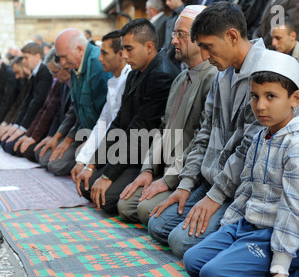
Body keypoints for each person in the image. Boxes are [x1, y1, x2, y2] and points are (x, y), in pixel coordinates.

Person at [183, 49, 299, 277]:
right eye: (254, 96)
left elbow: (294, 209)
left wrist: (280, 267)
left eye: (271, 96)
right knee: (192, 260)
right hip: (250, 226)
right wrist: (228, 228)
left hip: (289, 235)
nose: (260, 105)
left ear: (295, 98)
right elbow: (247, 188)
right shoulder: (261, 136)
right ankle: (255, 261)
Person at [147, 1, 265, 259]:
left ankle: (255, 242)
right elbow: (204, 136)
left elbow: (249, 151)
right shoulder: (222, 75)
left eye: (208, 47)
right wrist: (186, 185)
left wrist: (215, 196)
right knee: (156, 225)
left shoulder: (264, 74)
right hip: (213, 182)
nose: (206, 56)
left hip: (244, 190)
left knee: (180, 243)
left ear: (232, 36)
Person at [118, 5, 217, 226]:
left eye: (180, 35)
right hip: (165, 168)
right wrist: (147, 170)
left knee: (144, 211)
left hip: (188, 175)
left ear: (200, 38)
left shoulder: (213, 78)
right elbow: (163, 129)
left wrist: (169, 179)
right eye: (174, 34)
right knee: (125, 205)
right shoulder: (180, 79)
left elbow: (203, 140)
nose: (173, 41)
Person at [77, 18, 179, 214]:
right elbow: (118, 124)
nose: (124, 54)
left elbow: (139, 132)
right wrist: (92, 164)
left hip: (148, 157)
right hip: (129, 150)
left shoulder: (162, 75)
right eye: (122, 48)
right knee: (87, 184)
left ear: (149, 47)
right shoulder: (135, 73)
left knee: (104, 197)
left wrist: (108, 176)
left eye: (129, 48)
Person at [44, 28, 112, 176]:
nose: (61, 63)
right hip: (84, 133)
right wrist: (67, 140)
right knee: (46, 158)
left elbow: (106, 116)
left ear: (80, 49)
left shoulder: (98, 65)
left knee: (57, 165)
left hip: (102, 137)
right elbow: (78, 111)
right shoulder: (75, 66)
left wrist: (89, 144)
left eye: (63, 57)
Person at [70, 30, 131, 183]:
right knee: (84, 181)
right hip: (109, 146)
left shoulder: (129, 79)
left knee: (89, 185)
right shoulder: (114, 80)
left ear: (120, 54)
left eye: (104, 53)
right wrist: (82, 160)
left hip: (125, 150)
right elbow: (102, 123)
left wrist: (91, 165)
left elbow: (116, 126)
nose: (99, 58)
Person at [12, 49, 71, 161]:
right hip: (56, 131)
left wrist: (55, 137)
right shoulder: (60, 82)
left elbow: (51, 112)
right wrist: (27, 134)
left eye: (55, 72)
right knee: (16, 146)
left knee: (39, 156)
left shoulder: (56, 80)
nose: (54, 77)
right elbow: (44, 109)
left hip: (71, 134)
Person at [0, 42, 52, 155]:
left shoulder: (45, 73)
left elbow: (37, 104)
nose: (24, 61)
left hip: (37, 124)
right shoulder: (35, 74)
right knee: (5, 142)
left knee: (10, 146)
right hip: (29, 123)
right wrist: (16, 126)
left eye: (26, 58)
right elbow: (26, 103)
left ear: (37, 57)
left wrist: (23, 129)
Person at [271, 17, 299, 102]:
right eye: (272, 38)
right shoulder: (274, 56)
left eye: (278, 38)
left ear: (293, 36)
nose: (273, 43)